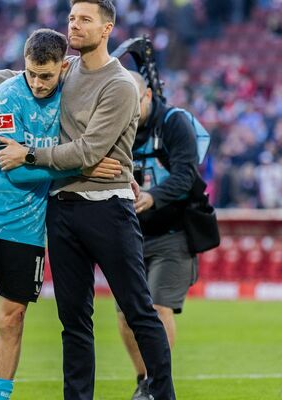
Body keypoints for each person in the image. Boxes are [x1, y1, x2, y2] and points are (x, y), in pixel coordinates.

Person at [0, 2, 176, 399]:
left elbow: (85, 148)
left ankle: (162, 393)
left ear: (106, 29)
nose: (74, 25)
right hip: (28, 209)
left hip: (82, 211)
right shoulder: (42, 81)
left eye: (84, 19)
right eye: (71, 17)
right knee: (62, 320)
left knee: (131, 309)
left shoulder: (103, 81)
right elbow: (15, 89)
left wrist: (44, 158)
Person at [119, 72, 200, 399]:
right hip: (128, 234)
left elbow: (186, 174)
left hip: (171, 232)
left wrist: (153, 197)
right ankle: (143, 381)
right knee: (126, 313)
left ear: (148, 96)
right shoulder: (116, 121)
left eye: (134, 102)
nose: (129, 110)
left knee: (157, 306)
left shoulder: (174, 123)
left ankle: (157, 382)